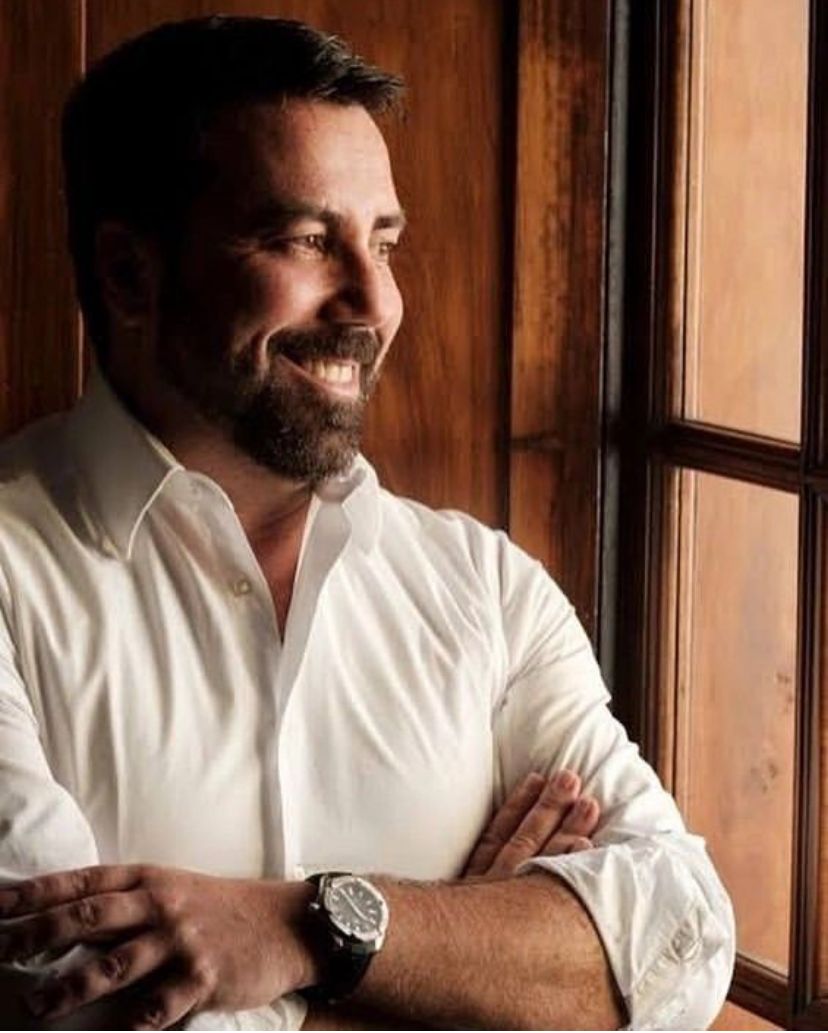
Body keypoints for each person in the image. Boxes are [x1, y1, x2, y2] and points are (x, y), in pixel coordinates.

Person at [0, 15, 734, 1031]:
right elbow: (64, 1009)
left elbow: (682, 942)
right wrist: (464, 957)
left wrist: (312, 932)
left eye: (383, 243)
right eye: (305, 240)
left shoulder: (486, 587)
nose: (373, 301)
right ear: (130, 273)